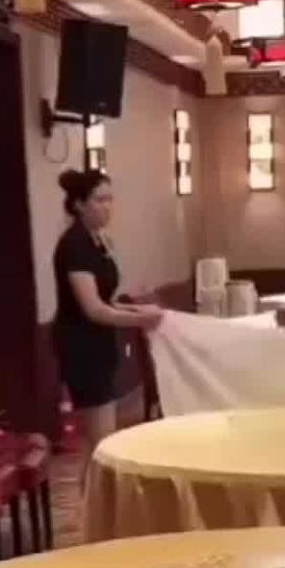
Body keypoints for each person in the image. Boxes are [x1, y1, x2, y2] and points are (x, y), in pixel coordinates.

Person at [52, 168, 161, 477]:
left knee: (102, 440)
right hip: (82, 347)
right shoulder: (75, 245)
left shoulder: (98, 241)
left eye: (110, 199)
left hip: (101, 343)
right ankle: (93, 501)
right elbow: (93, 308)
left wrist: (138, 310)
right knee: (101, 443)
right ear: (79, 205)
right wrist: (139, 321)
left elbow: (106, 299)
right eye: (100, 200)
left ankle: (94, 500)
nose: (108, 207)